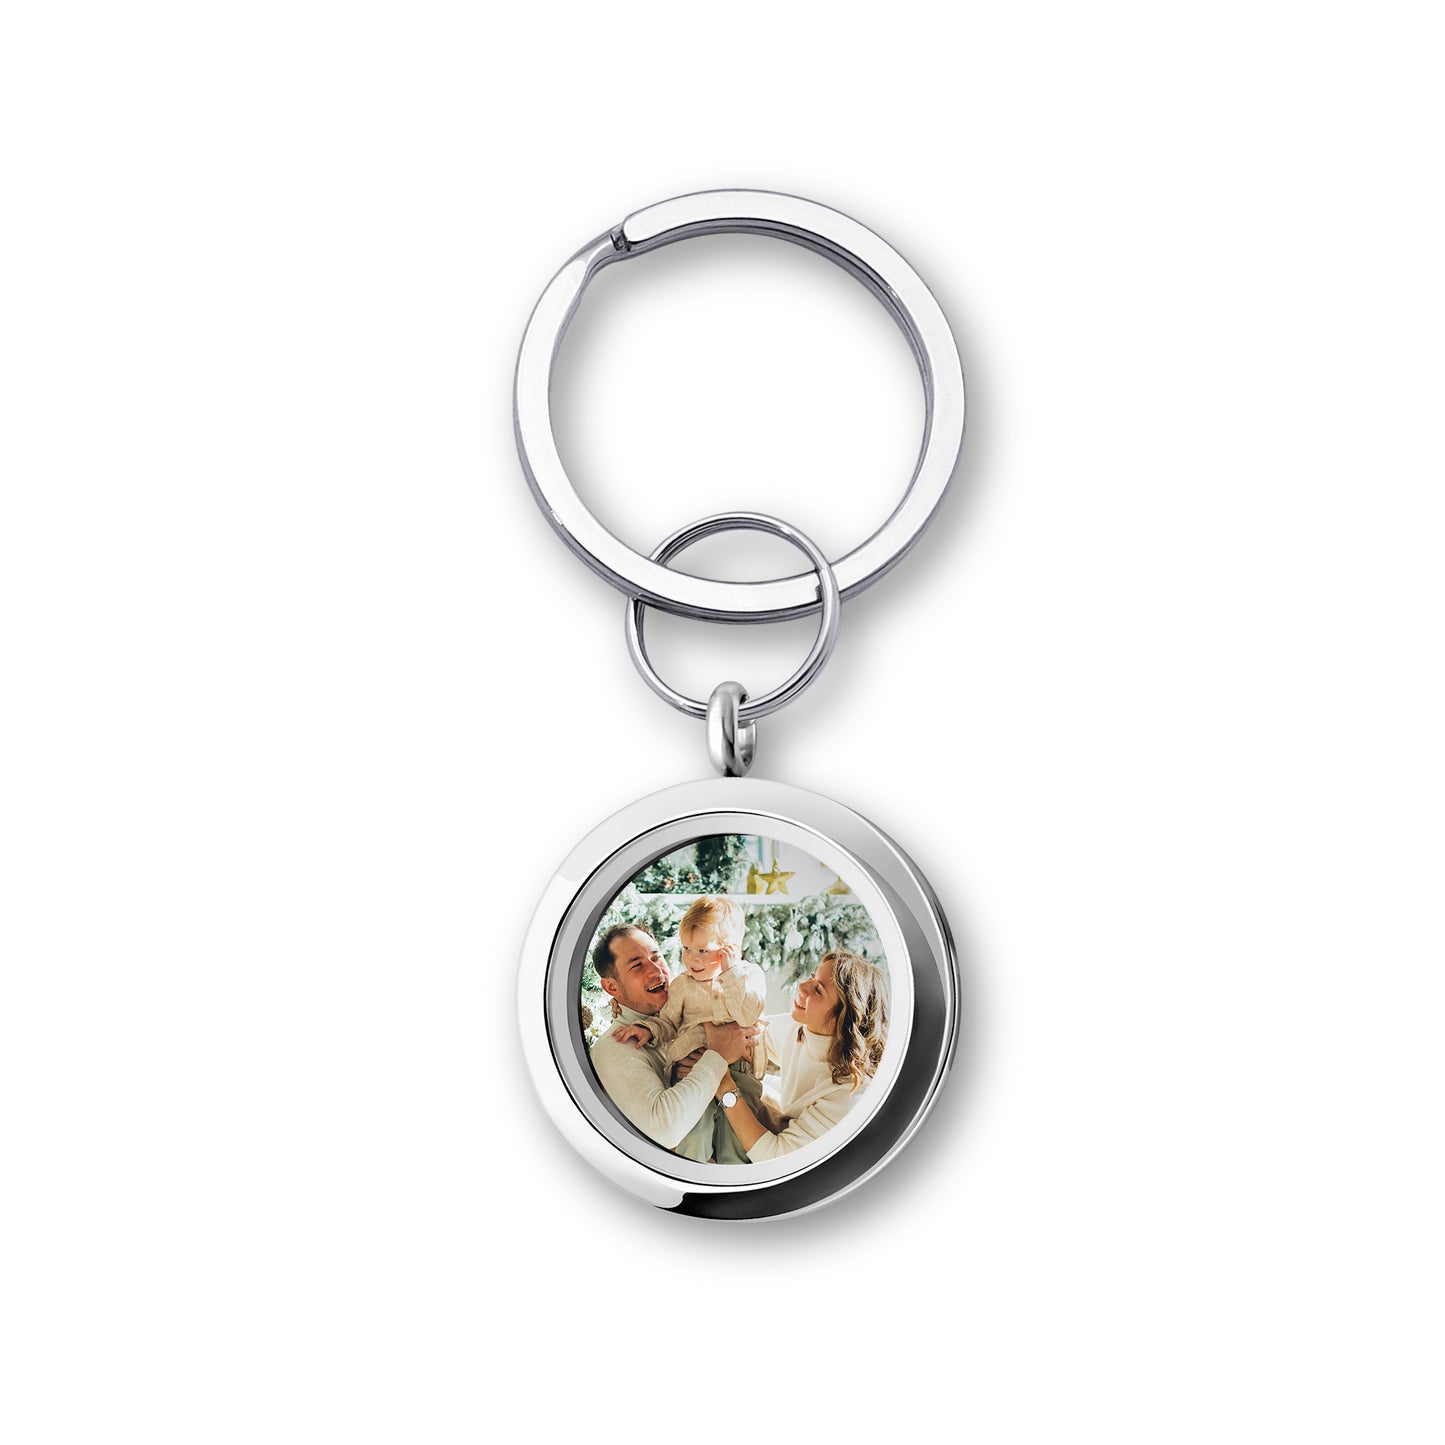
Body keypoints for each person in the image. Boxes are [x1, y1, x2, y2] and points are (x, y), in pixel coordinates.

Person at [609, 897, 768, 1163]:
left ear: (730, 950)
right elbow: (667, 1022)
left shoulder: (749, 976)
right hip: (692, 1070)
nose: (692, 959)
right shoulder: (682, 985)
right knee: (694, 1137)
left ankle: (732, 1182)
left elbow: (747, 1016)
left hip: (740, 1070)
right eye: (686, 948)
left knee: (737, 1142)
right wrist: (648, 1030)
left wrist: (731, 974)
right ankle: (691, 1177)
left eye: (703, 950)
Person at [703, 950, 889, 1163]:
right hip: (791, 1128)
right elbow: (745, 1034)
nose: (802, 986)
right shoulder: (802, 1028)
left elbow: (774, 1157)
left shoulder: (849, 1093)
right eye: (812, 976)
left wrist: (722, 1082)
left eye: (818, 990)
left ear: (843, 1019)